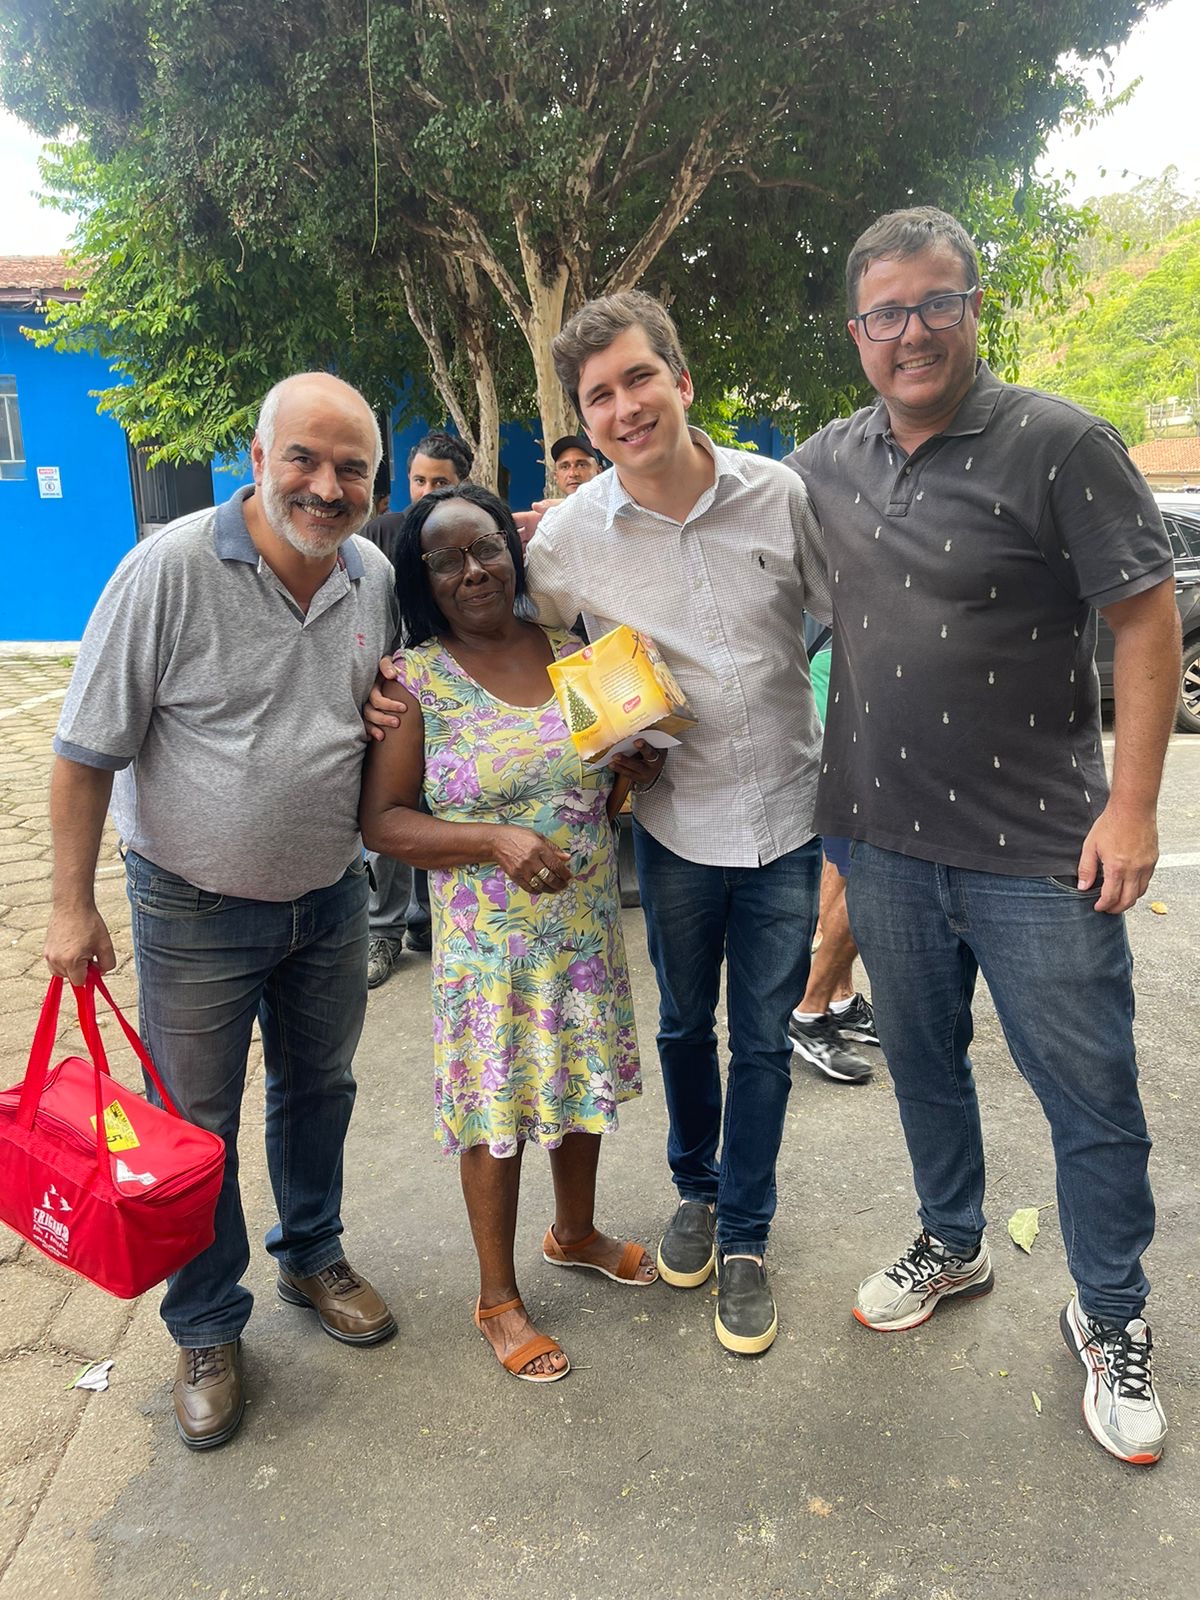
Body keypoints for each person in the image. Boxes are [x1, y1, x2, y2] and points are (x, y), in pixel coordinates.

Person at [786, 206, 1180, 1464]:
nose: (912, 333)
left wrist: (1134, 805)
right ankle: (952, 1243)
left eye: (936, 304)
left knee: (1092, 1095)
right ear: (857, 331)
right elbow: (719, 542)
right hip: (883, 845)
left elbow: (1146, 616)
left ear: (973, 308)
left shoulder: (1060, 444)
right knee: (924, 1061)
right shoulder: (824, 461)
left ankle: (1110, 1312)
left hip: (1040, 852)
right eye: (886, 313)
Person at [43, 372, 400, 1452]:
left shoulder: (371, 573)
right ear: (256, 458)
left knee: (320, 1088)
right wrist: (69, 905)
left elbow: (364, 703)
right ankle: (204, 1324)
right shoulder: (168, 570)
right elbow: (83, 751)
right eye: (305, 459)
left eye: (352, 469)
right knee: (194, 1126)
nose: (327, 487)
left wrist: (385, 714)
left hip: (330, 897)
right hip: (192, 907)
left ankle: (312, 1254)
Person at [513, 291, 830, 1357]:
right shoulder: (569, 537)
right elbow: (525, 641)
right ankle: (697, 1187)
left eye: (639, 378)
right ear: (586, 419)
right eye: (599, 396)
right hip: (677, 824)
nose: (623, 408)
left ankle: (746, 1233)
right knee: (688, 1025)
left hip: (789, 815)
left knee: (765, 1040)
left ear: (682, 380)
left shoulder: (778, 495)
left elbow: (849, 617)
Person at [359, 483, 660, 1382]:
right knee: (498, 1112)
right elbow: (383, 821)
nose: (473, 570)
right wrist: (492, 838)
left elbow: (606, 786)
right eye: (446, 559)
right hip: (489, 954)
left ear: (512, 549)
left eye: (486, 546)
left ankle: (575, 1233)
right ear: (423, 577)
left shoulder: (574, 654)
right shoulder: (413, 682)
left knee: (578, 1083)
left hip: (583, 934)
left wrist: (635, 770)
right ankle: (497, 1299)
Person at [362, 429, 473, 988]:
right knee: (393, 812)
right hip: (397, 694)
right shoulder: (382, 533)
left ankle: (426, 920)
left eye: (441, 482)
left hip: (457, 695)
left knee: (445, 812)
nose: (428, 491)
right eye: (419, 480)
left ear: (464, 483)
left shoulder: (468, 533)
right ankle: (382, 931)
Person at [787, 622, 877, 1085]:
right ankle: (810, 1010)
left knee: (843, 866)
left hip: (846, 682)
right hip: (843, 696)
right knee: (870, 878)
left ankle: (839, 1002)